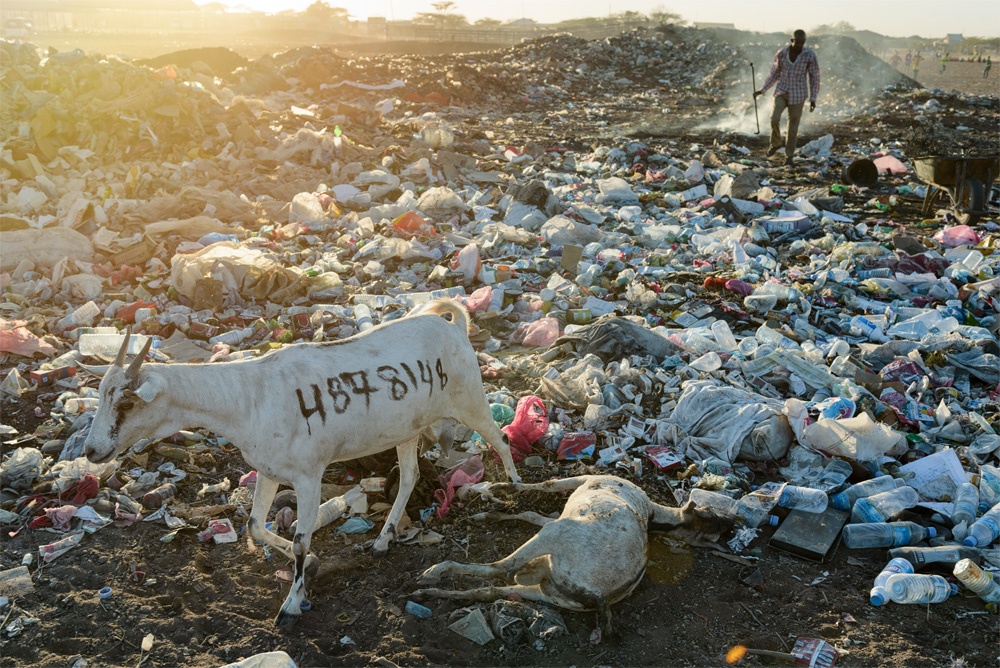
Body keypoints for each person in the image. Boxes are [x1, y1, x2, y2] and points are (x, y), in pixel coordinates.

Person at [754, 29, 820, 168]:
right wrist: (763, 89)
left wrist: (813, 98)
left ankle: (789, 156)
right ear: (792, 40)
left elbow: (814, 77)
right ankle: (776, 144)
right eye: (797, 42)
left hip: (799, 94)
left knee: (793, 128)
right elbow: (774, 73)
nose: (800, 45)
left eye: (802, 43)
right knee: (774, 118)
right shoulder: (782, 53)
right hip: (782, 91)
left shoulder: (809, 55)